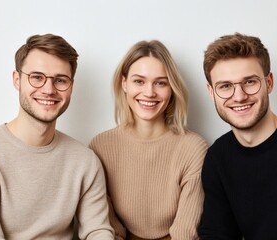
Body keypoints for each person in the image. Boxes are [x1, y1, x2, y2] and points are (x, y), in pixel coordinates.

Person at [0, 33, 114, 239]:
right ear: (17, 80)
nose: (48, 89)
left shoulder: (85, 161)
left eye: (60, 80)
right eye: (37, 77)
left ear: (71, 87)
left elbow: (97, 230)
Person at [89, 40, 208, 240]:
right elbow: (109, 230)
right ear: (124, 83)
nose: (149, 92)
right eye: (139, 81)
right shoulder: (101, 147)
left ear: (172, 88)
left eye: (160, 82)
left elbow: (185, 234)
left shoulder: (193, 148)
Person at [197, 32, 277, 239]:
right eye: (225, 86)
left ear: (269, 82)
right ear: (211, 92)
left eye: (249, 82)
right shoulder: (217, 157)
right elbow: (216, 234)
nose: (239, 96)